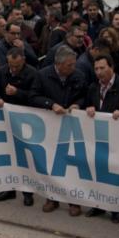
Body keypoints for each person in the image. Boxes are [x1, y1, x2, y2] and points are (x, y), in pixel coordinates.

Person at [29, 46, 87, 215]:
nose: (73, 67)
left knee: (72, 164)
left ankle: (73, 201)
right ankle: (52, 198)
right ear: (59, 64)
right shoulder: (43, 75)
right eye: (69, 65)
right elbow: (33, 96)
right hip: (50, 125)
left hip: (72, 126)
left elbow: (85, 95)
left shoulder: (78, 75)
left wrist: (78, 104)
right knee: (52, 164)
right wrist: (50, 104)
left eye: (74, 64)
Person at [83, 54, 119, 222]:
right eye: (96, 69)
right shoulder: (92, 88)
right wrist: (87, 108)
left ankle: (116, 208)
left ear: (112, 67)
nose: (99, 72)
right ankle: (99, 204)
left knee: (115, 171)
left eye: (102, 68)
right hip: (98, 137)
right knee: (98, 170)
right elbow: (86, 105)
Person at [0, 47, 38, 206]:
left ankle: (28, 191)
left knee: (25, 157)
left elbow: (34, 97)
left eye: (16, 66)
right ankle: (9, 188)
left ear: (23, 61)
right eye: (10, 65)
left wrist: (17, 92)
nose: (12, 69)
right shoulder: (2, 71)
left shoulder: (32, 74)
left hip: (25, 120)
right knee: (7, 154)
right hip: (5, 118)